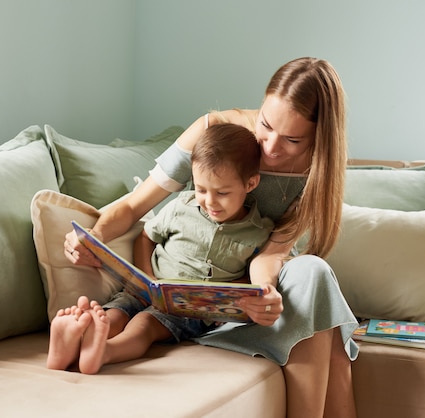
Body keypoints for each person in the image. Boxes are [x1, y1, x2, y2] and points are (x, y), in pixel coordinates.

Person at [61, 57, 359, 418]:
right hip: (186, 297)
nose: (271, 147)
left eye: (293, 140)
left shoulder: (318, 173)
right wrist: (93, 237)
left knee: (313, 272)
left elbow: (271, 254)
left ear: (318, 138)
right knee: (333, 344)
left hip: (244, 302)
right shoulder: (214, 134)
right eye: (265, 125)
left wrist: (264, 294)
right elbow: (134, 207)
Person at [47, 123, 274, 374]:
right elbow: (145, 237)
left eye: (222, 193)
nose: (210, 201)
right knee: (113, 314)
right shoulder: (181, 207)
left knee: (145, 323)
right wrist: (147, 278)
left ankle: (104, 353)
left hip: (188, 309)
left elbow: (252, 275)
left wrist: (230, 298)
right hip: (144, 290)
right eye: (201, 189)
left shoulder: (258, 231)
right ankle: (77, 338)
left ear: (251, 183)